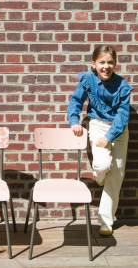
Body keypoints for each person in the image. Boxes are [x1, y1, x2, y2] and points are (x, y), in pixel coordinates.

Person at [67, 45, 133, 236]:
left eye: (110, 62)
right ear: (93, 63)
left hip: (118, 131)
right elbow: (76, 101)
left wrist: (109, 136)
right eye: (102, 62)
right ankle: (99, 176)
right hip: (96, 125)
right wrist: (74, 121)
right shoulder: (88, 79)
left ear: (115, 64)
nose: (106, 66)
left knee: (117, 175)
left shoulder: (122, 85)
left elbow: (122, 115)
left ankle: (106, 220)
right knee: (102, 165)